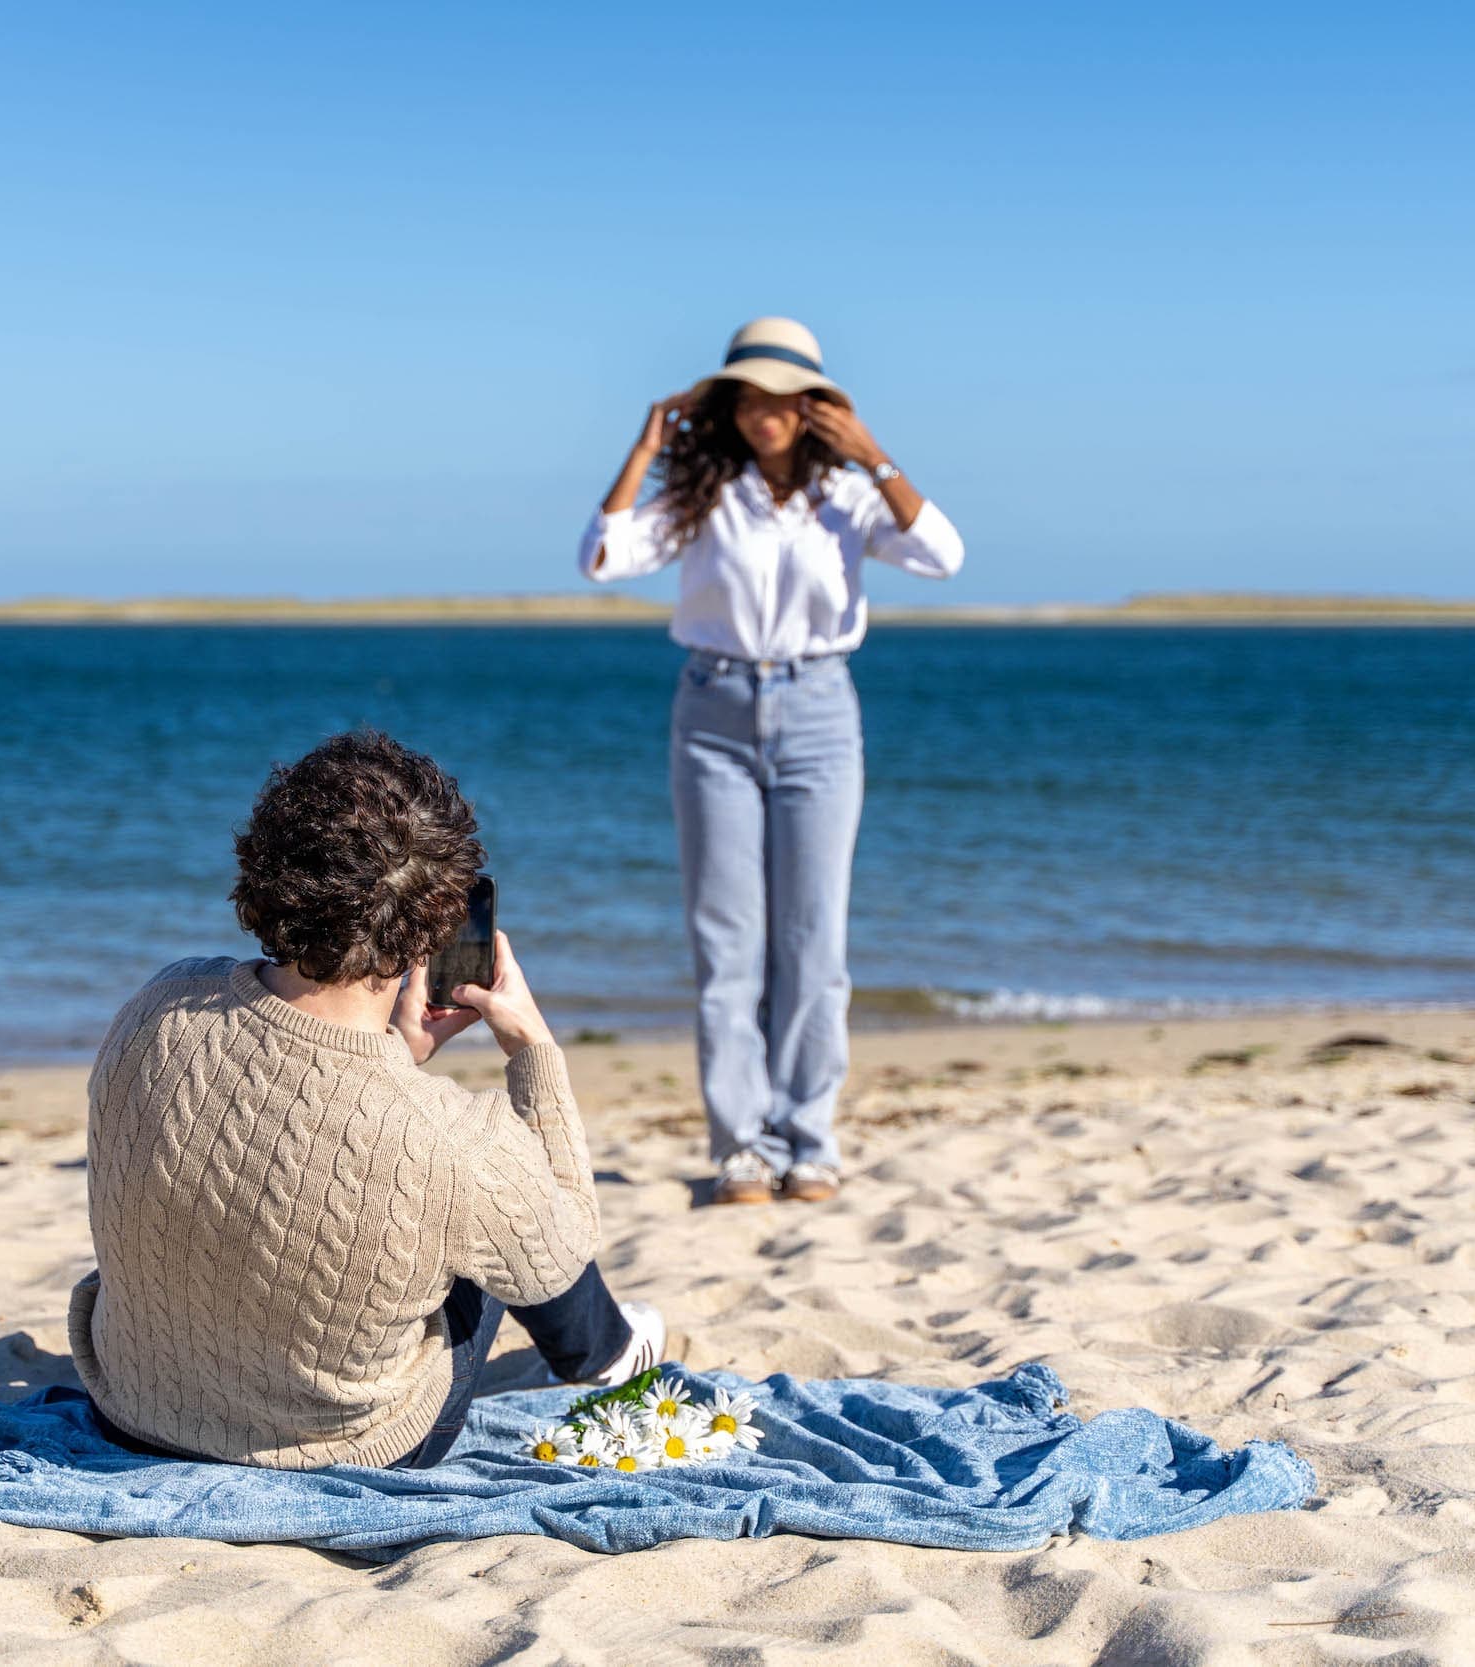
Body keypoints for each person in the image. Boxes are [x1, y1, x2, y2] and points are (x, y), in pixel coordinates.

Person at [67, 729, 666, 1470]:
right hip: (339, 1446)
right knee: (491, 1210)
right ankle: (605, 1354)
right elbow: (562, 1235)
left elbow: (281, 1109)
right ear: (432, 922)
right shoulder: (453, 1139)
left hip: (132, 1407)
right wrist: (532, 1049)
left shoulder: (158, 1002)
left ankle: (605, 1346)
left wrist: (399, 1054)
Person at [578, 317, 966, 1207]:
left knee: (812, 939)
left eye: (782, 398)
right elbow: (601, 558)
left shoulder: (851, 494)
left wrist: (874, 453)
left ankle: (810, 1138)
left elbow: (943, 556)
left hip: (822, 710)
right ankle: (741, 1146)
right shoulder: (705, 493)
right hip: (711, 711)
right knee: (727, 941)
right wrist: (644, 450)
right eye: (747, 396)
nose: (763, 413)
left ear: (814, 406)